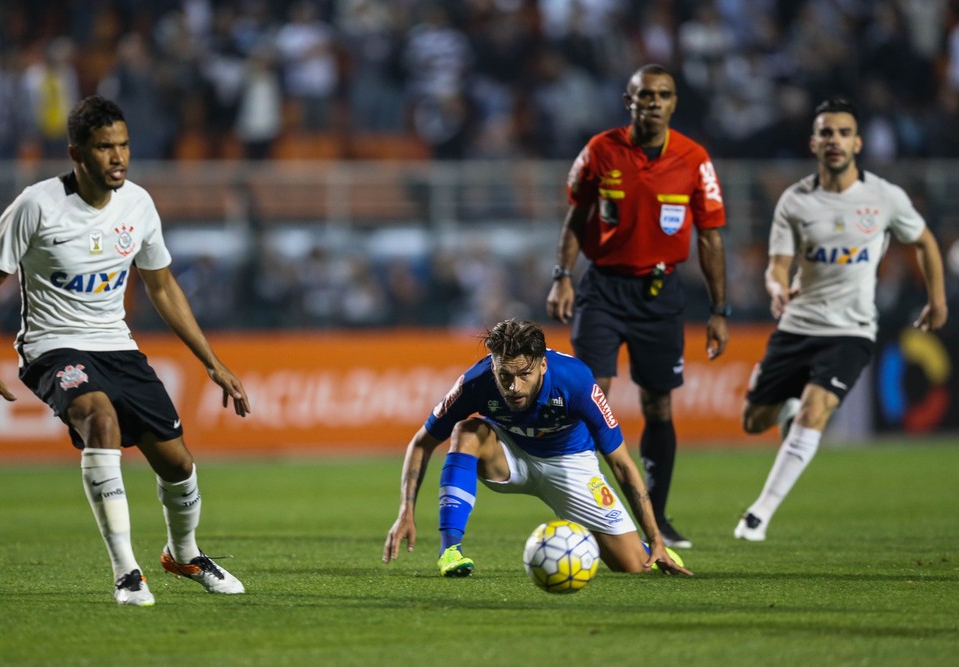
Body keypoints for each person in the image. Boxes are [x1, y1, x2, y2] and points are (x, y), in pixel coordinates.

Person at [0, 95, 251, 606]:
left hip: (117, 346)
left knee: (179, 465)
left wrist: (212, 362)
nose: (117, 157)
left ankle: (183, 553)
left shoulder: (138, 204)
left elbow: (162, 288)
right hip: (52, 347)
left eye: (123, 145)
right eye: (104, 148)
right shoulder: (37, 205)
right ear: (77, 153)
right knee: (100, 419)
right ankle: (127, 573)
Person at [734, 98, 948, 542]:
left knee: (817, 411)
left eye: (844, 132)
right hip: (797, 325)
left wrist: (937, 299)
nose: (835, 140)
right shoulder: (795, 201)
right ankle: (783, 403)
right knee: (754, 421)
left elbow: (925, 241)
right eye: (827, 133)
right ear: (814, 143)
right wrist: (776, 289)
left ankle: (759, 514)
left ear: (858, 142)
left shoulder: (884, 197)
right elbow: (777, 265)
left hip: (852, 330)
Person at [546, 63, 729, 549]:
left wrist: (719, 310)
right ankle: (593, 514)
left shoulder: (694, 159)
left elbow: (710, 238)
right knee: (591, 398)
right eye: (644, 95)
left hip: (660, 295)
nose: (653, 102)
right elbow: (574, 217)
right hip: (603, 288)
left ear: (674, 103)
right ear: (628, 101)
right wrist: (563, 277)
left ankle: (658, 515)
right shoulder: (600, 151)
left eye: (663, 95)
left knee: (658, 405)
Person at [382, 318, 691, 578]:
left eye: (524, 375)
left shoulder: (576, 381)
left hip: (570, 464)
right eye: (504, 375)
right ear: (493, 365)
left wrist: (655, 536)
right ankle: (450, 550)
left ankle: (643, 547)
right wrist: (405, 510)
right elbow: (422, 443)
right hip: (510, 455)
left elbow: (622, 464)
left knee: (634, 567)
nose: (513, 387)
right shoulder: (475, 383)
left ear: (543, 365)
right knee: (467, 431)